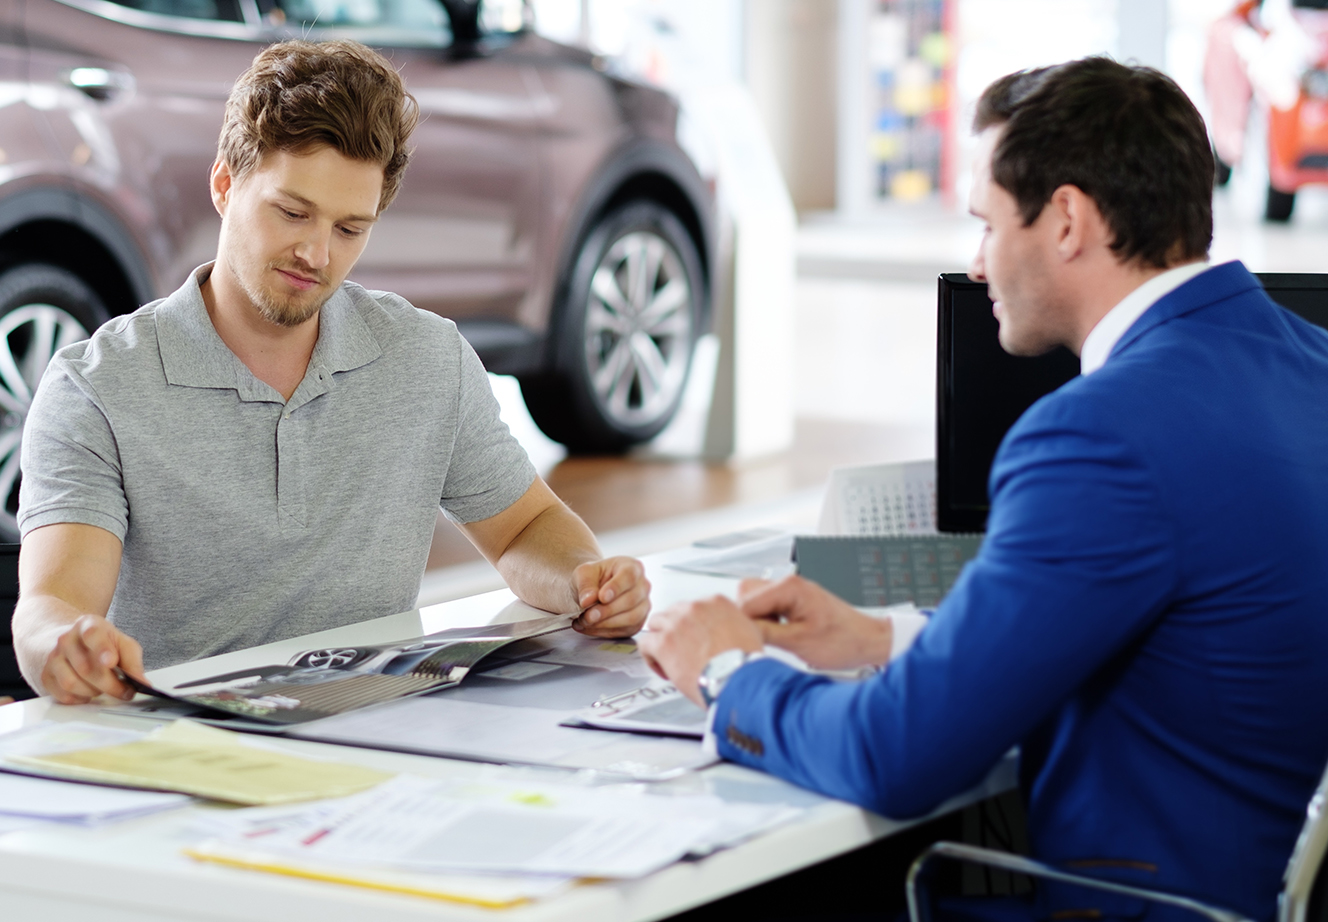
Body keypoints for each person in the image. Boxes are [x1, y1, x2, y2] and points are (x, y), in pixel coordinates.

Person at [639, 57, 1328, 921]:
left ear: (1067, 220)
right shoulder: (1310, 364)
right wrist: (884, 637)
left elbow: (897, 757)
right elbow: (1164, 621)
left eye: (987, 223)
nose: (976, 264)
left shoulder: (1098, 434)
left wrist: (727, 672)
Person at [13, 40, 649, 706]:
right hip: (183, 738)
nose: (316, 254)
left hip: (378, 731)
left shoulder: (426, 358)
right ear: (224, 185)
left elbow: (525, 529)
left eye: (350, 229)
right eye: (293, 213)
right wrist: (63, 642)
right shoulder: (97, 388)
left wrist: (586, 581)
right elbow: (53, 604)